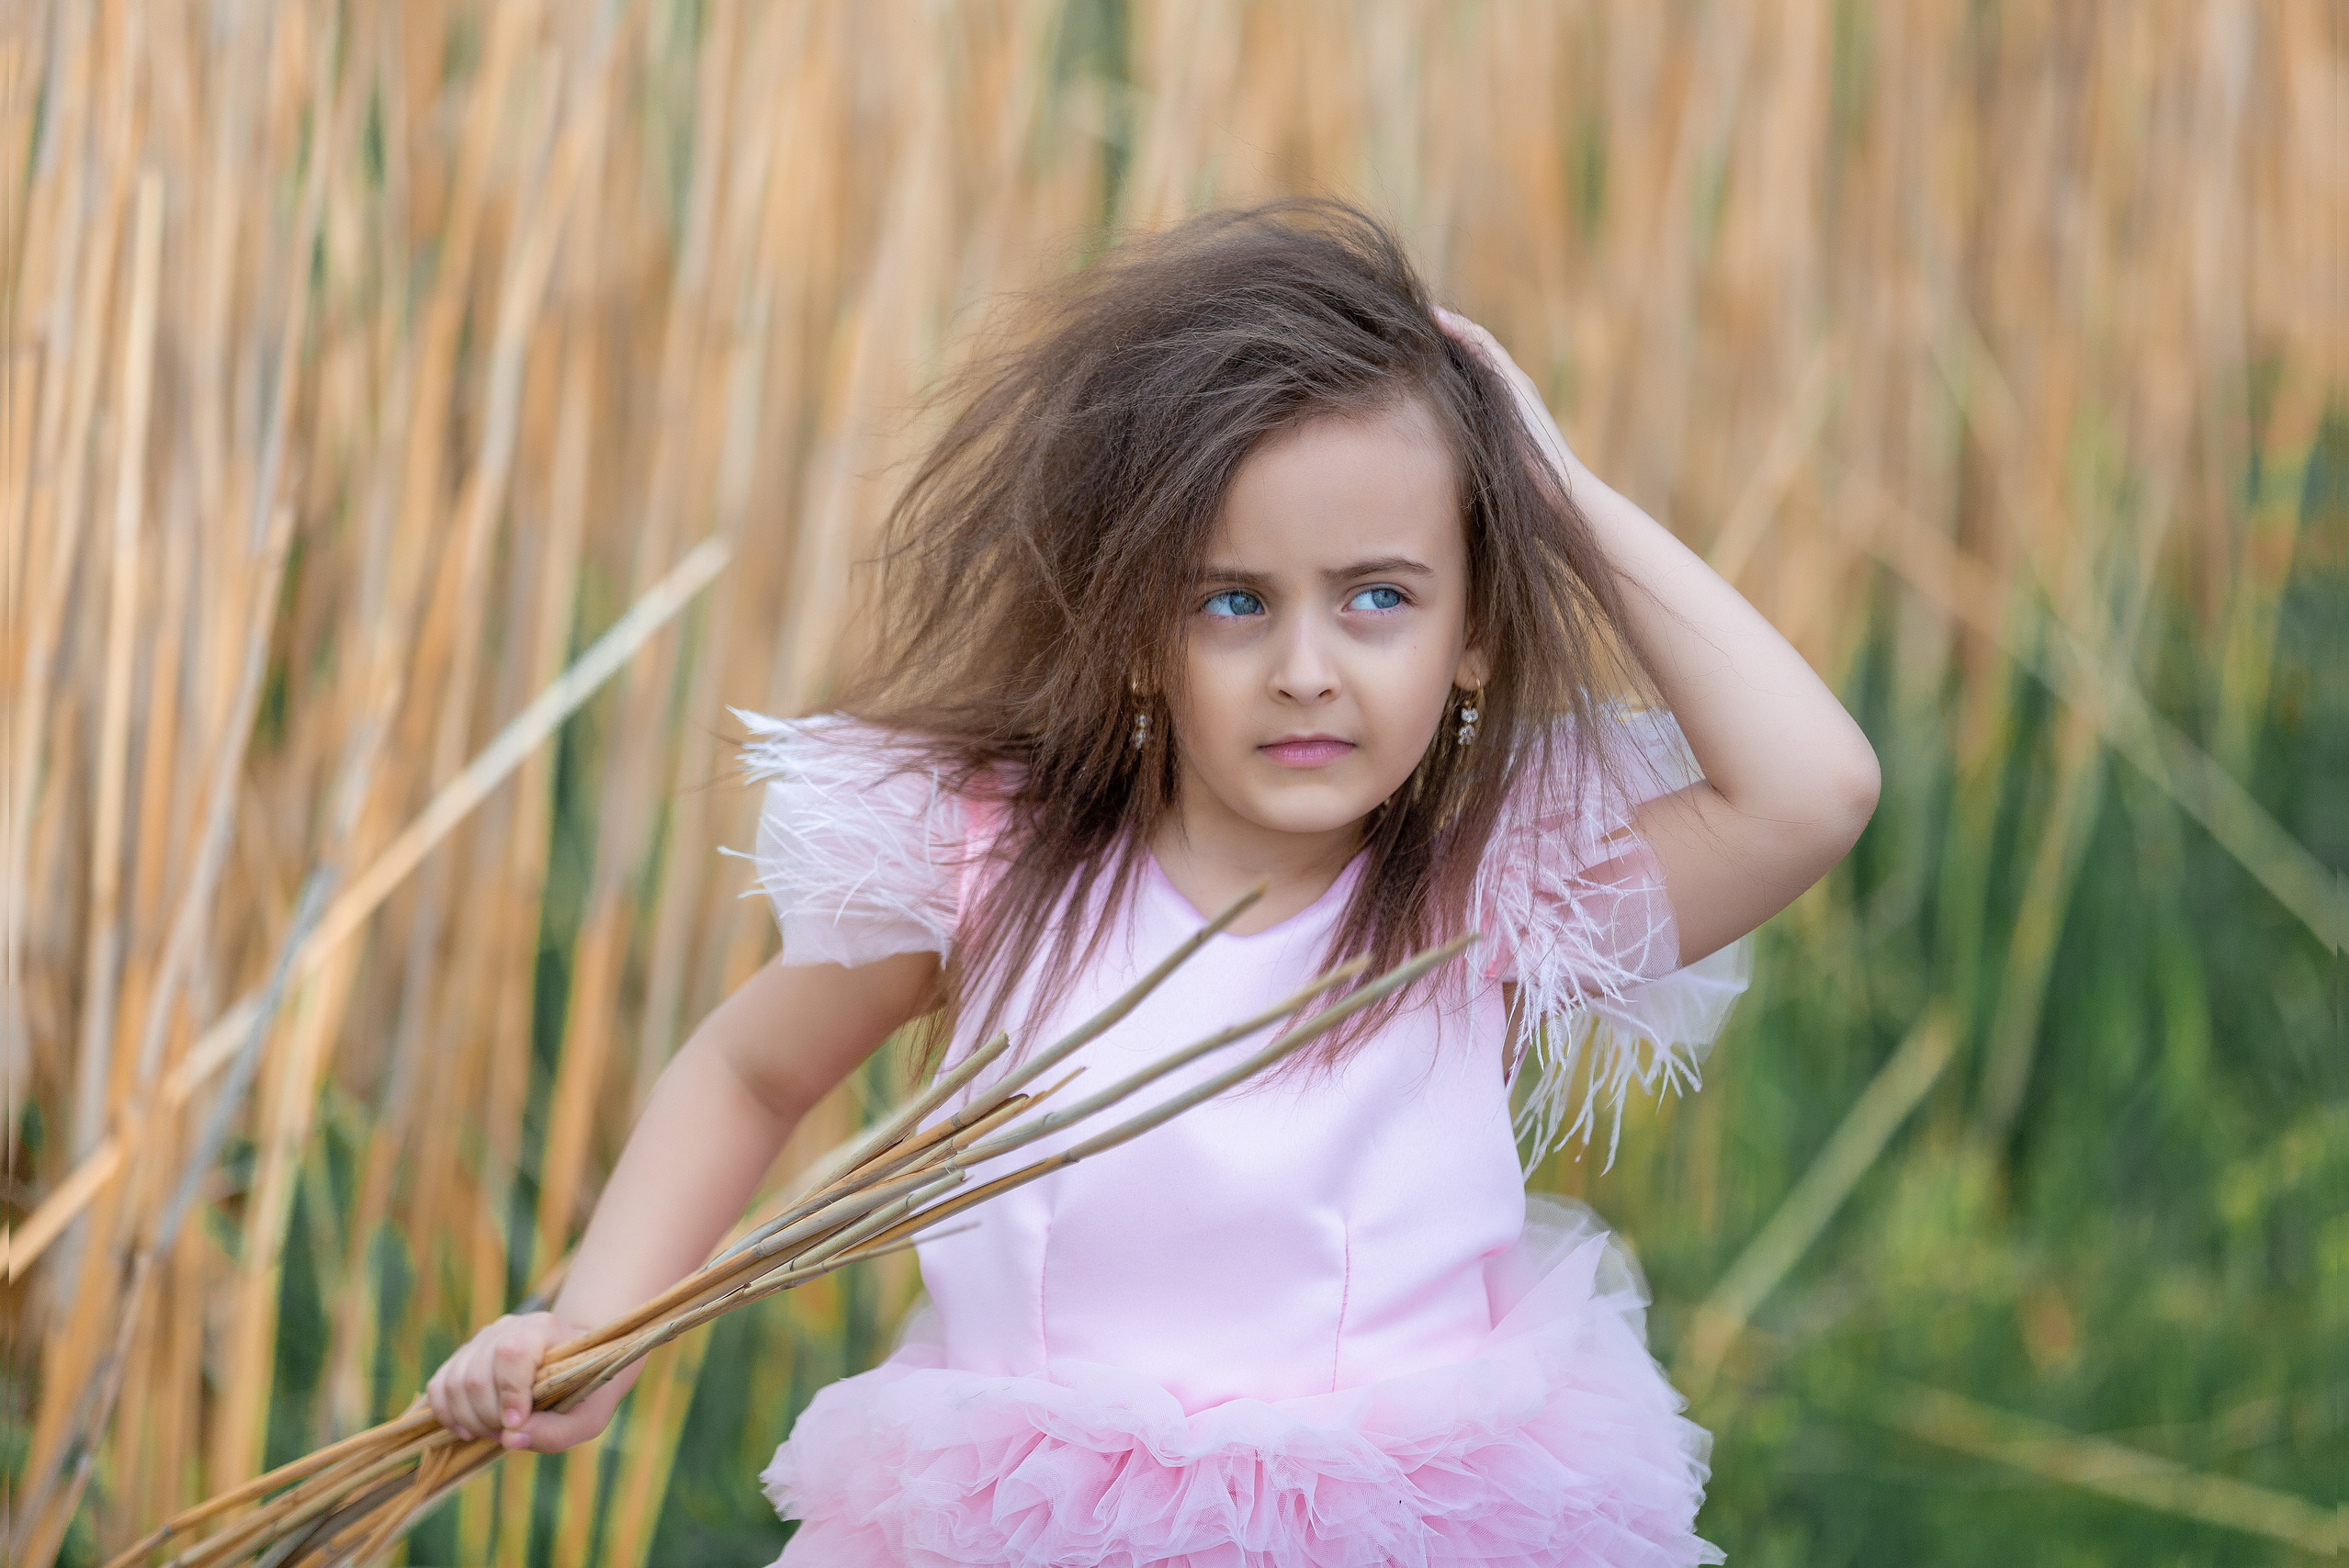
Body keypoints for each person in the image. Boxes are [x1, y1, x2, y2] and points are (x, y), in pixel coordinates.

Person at [425, 200, 1880, 1565]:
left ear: (1475, 633)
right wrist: (596, 1329)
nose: (1306, 668)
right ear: (1132, 629)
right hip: (1018, 1522)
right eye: (1232, 601)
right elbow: (752, 1071)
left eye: (1380, 596)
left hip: (1402, 1525)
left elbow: (1815, 790)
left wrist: (1545, 482)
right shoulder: (994, 865)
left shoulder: (1477, 903)